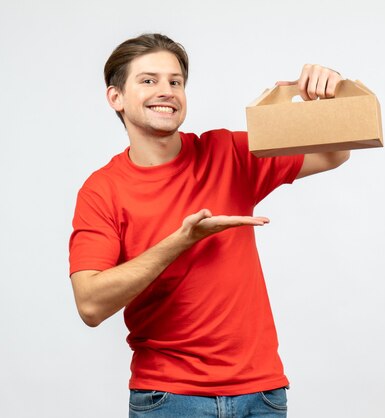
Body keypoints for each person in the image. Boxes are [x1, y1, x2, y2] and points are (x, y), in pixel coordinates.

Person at [68, 33, 349, 417]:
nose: (166, 91)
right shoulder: (102, 191)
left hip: (262, 394)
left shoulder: (227, 152)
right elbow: (90, 304)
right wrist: (181, 240)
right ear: (115, 97)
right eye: (148, 80)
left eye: (175, 81)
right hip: (168, 399)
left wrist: (328, 96)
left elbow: (335, 152)